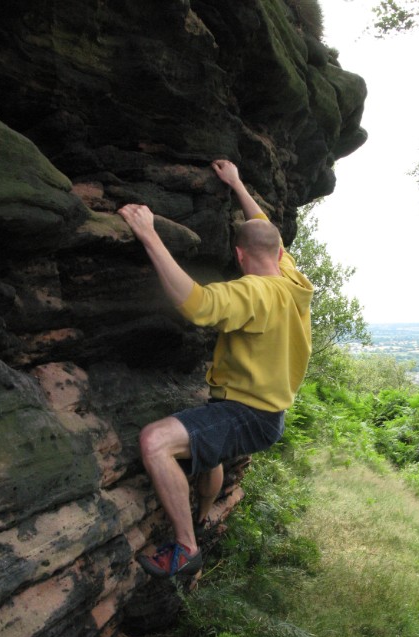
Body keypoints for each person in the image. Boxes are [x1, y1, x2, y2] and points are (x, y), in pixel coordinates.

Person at [118, 160, 313, 579]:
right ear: (280, 253)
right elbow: (262, 223)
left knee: (155, 442)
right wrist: (238, 183)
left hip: (247, 413)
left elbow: (198, 306)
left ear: (239, 256)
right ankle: (205, 517)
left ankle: (186, 548)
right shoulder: (293, 279)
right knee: (210, 453)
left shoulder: (253, 292)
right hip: (267, 413)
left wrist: (148, 233)